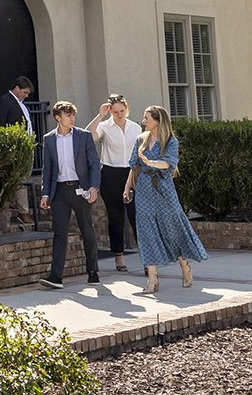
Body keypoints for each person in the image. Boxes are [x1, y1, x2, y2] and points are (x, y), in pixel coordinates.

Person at [123, 106, 208, 295]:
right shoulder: (140, 140)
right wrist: (128, 187)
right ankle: (152, 278)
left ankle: (185, 267)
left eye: (146, 118)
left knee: (172, 230)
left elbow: (168, 163)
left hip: (164, 189)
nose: (143, 121)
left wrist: (151, 162)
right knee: (146, 232)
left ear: (157, 121)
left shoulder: (170, 142)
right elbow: (134, 166)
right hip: (144, 189)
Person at [35, 101, 102, 288]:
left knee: (87, 231)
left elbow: (94, 164)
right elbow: (47, 169)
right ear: (58, 118)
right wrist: (45, 193)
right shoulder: (49, 139)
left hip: (81, 190)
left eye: (73, 115)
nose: (72, 119)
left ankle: (93, 271)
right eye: (68, 115)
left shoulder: (84, 136)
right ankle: (56, 276)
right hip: (60, 191)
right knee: (59, 233)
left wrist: (94, 188)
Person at [89, 94, 141, 272]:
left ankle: (148, 259)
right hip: (111, 174)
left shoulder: (136, 128)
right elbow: (88, 135)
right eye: (116, 111)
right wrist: (100, 115)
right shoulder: (104, 126)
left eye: (122, 111)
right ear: (111, 111)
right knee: (116, 217)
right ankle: (119, 257)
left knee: (136, 217)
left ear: (127, 109)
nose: (119, 115)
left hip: (132, 173)